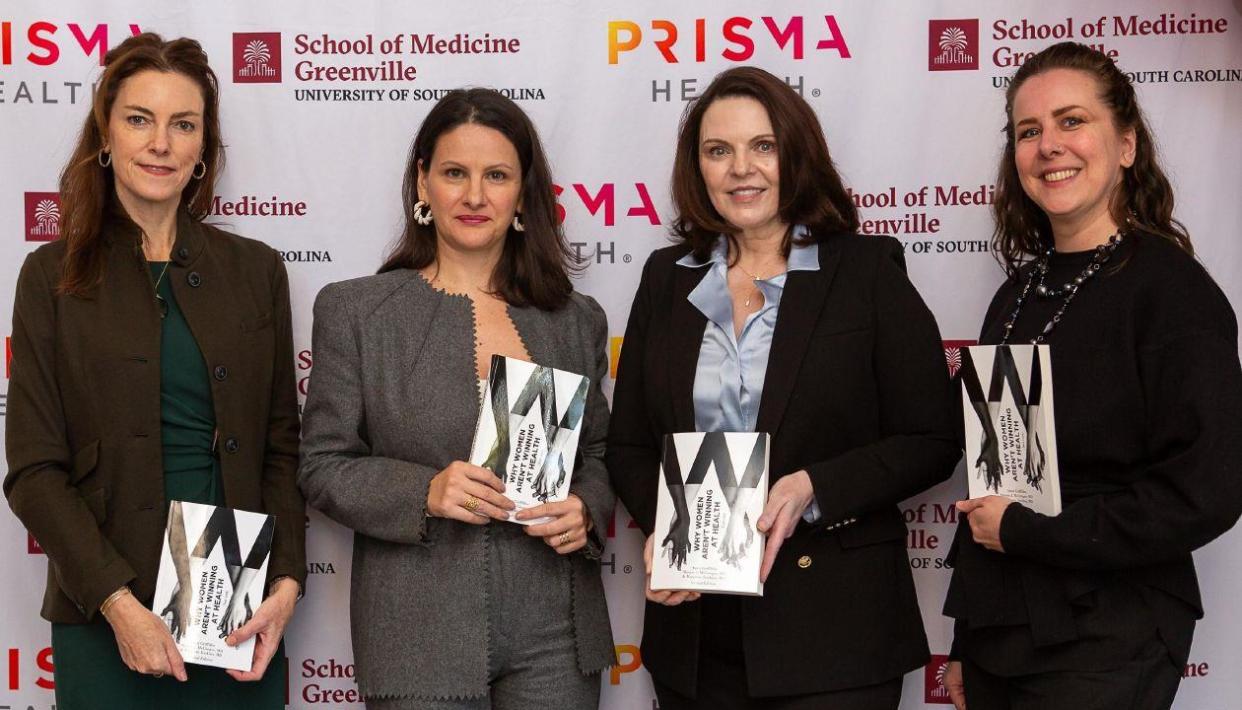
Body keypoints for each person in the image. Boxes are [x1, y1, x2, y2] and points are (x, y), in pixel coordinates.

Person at [606, 66, 960, 709]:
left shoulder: (866, 272)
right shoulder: (666, 279)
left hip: (835, 632)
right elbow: (629, 444)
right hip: (694, 632)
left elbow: (932, 438)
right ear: (698, 168)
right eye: (719, 151)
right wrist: (669, 525)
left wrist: (814, 486)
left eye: (762, 146)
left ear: (796, 153)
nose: (742, 168)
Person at [3, 33, 305, 709]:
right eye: (140, 119)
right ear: (105, 135)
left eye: (183, 124)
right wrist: (118, 604)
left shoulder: (257, 272)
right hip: (107, 612)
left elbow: (280, 447)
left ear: (203, 148)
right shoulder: (51, 276)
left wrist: (286, 580)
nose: (160, 143)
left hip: (237, 611)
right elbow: (33, 470)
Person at [942, 41, 1242, 710]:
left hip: (1111, 632)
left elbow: (1205, 492)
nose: (1049, 145)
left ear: (1127, 145)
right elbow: (1003, 478)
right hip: (1003, 634)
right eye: (1029, 130)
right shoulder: (1016, 295)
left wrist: (1030, 532)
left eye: (1072, 121)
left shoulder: (1173, 293)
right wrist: (966, 638)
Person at [298, 88, 615, 709]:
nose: (475, 196)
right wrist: (424, 492)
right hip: (416, 627)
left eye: (496, 175)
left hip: (556, 625)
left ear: (523, 193)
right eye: (454, 173)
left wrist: (585, 506)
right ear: (423, 183)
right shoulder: (357, 311)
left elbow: (599, 453)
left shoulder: (575, 320)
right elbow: (321, 465)